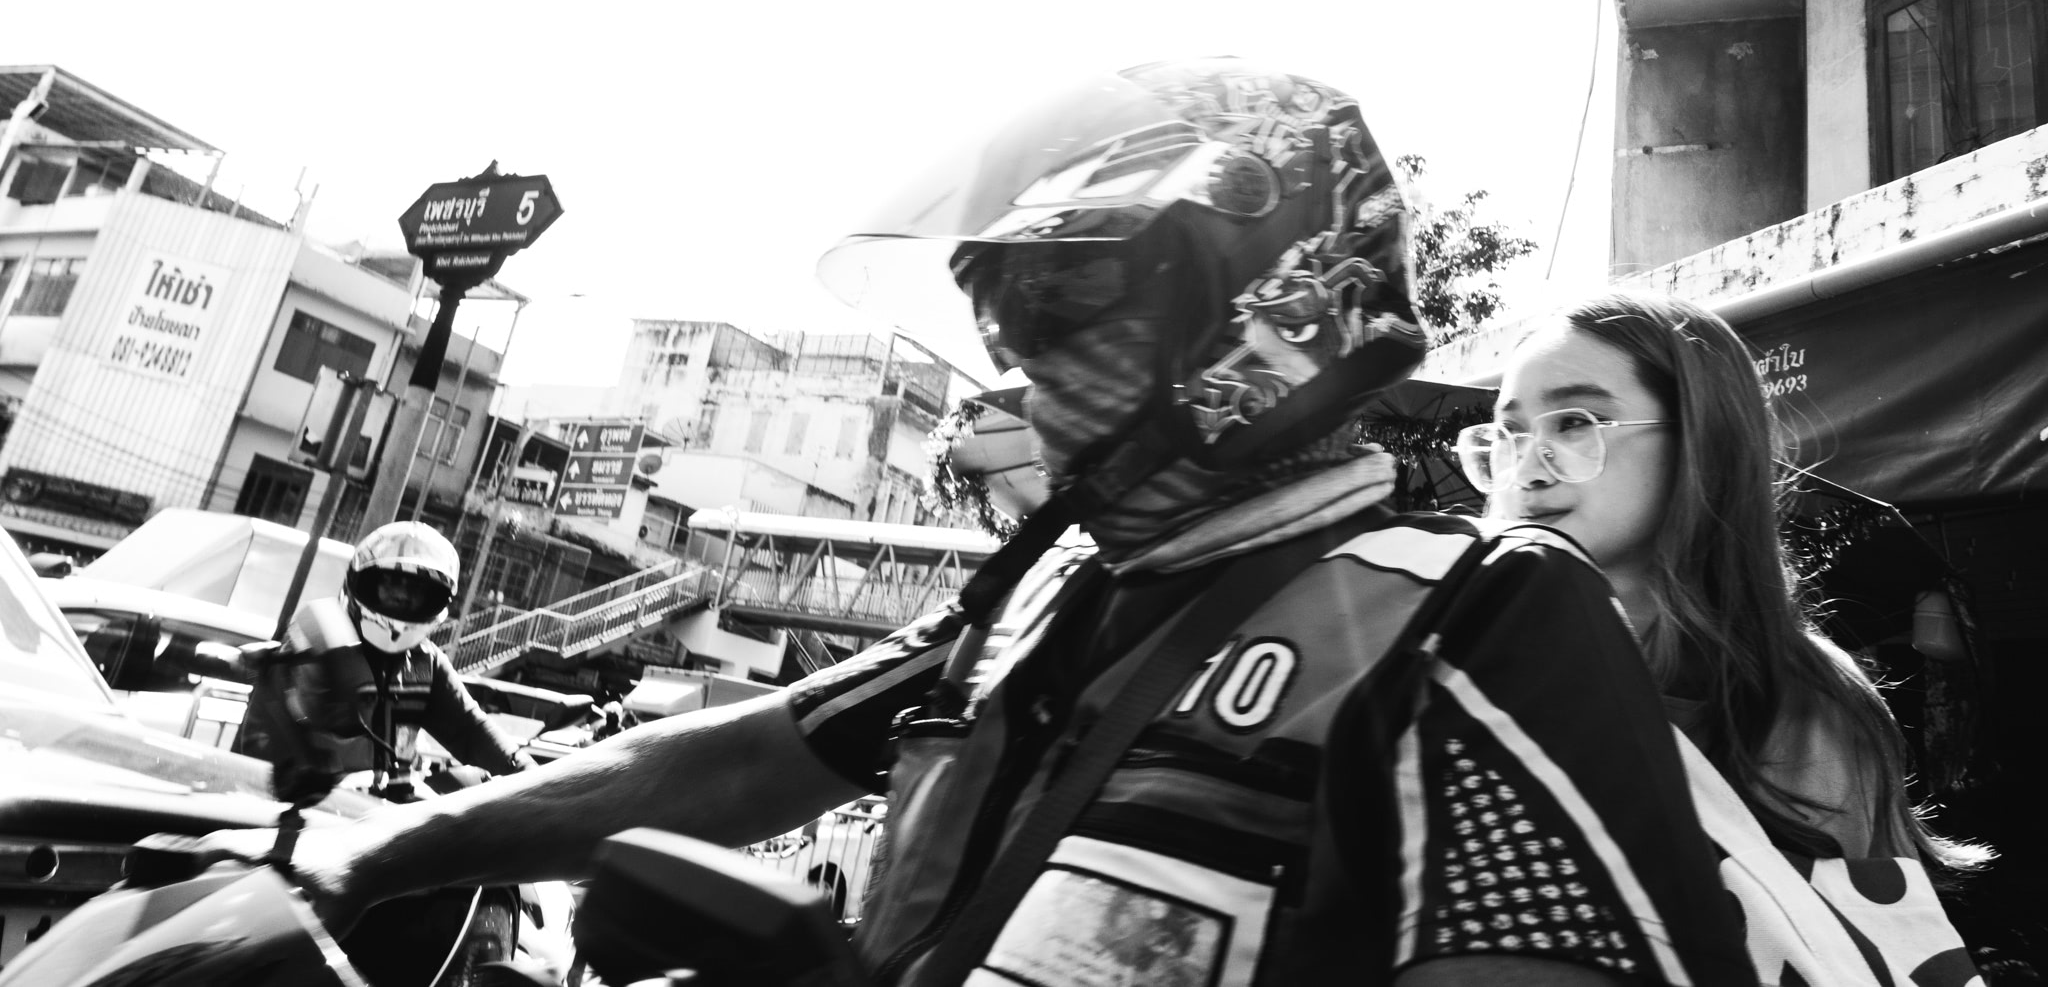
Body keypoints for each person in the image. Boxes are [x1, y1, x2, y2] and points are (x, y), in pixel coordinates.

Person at [207, 61, 1755, 985]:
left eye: (1059, 324)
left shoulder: (1472, 625)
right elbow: (743, 752)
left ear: (1252, 331)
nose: (1020, 378)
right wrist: (381, 854)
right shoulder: (1052, 604)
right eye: (1008, 330)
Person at [1455, 292, 1989, 978]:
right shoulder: (1455, 671)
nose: (1527, 468)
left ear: (1699, 442)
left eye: (1575, 422)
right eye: (1507, 434)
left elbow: (1852, 951)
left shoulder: (1803, 709)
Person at [240, 520, 534, 796]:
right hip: (303, 801)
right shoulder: (320, 637)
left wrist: (527, 771)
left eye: (417, 590)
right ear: (364, 582)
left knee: (477, 791)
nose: (404, 597)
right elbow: (273, 741)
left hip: (389, 806)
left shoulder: (423, 661)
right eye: (392, 583)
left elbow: (470, 728)